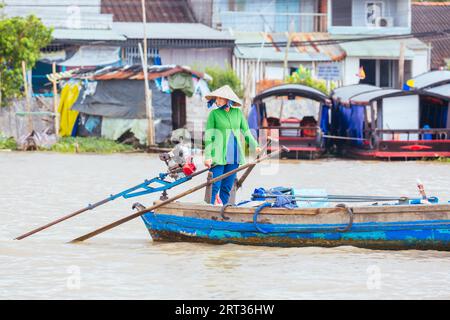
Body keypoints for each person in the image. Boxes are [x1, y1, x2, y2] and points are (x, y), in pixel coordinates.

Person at [204, 85, 261, 205]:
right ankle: (209, 210)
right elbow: (209, 136)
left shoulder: (237, 113)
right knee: (215, 186)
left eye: (220, 98)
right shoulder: (214, 114)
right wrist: (208, 156)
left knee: (227, 187)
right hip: (218, 155)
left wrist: (254, 145)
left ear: (228, 100)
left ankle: (224, 210)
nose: (217, 101)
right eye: (216, 98)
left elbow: (246, 131)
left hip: (234, 155)